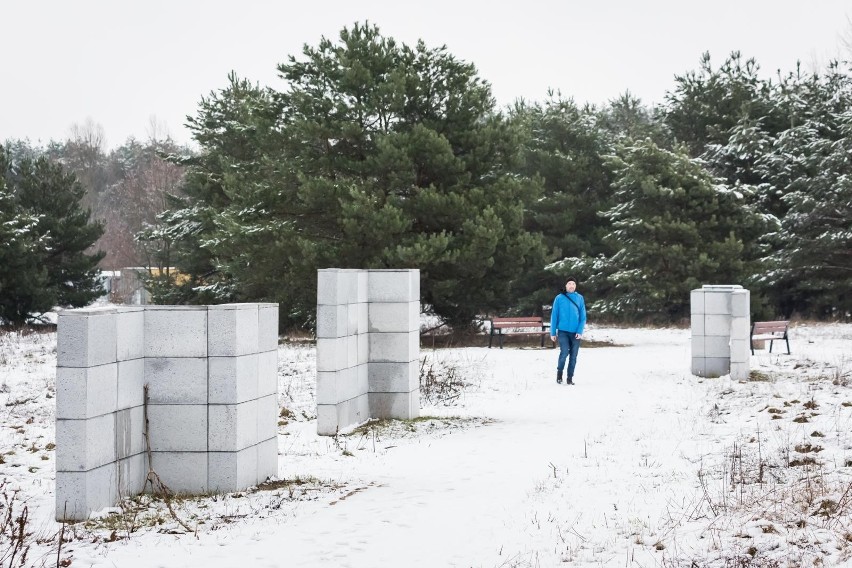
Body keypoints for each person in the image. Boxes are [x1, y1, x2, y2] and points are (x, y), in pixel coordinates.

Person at [550, 276, 586, 385]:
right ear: (566, 285)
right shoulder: (559, 298)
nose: (571, 286)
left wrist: (579, 331)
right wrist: (552, 332)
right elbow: (554, 316)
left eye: (573, 284)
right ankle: (559, 373)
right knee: (564, 352)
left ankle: (570, 378)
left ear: (576, 286)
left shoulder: (580, 298)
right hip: (563, 331)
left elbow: (583, 317)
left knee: (573, 356)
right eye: (569, 283)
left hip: (575, 333)